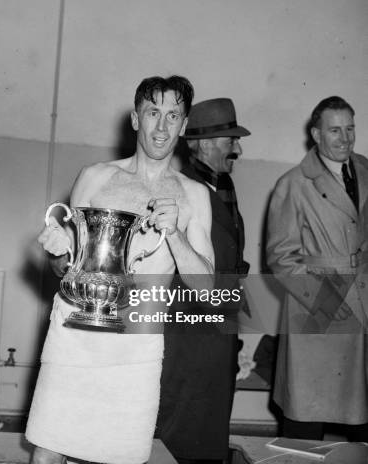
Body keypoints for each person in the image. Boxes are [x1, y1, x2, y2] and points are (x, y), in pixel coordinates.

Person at [27, 76, 215, 464]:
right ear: (135, 119)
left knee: (122, 456)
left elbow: (208, 290)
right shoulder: (95, 177)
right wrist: (57, 251)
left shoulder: (194, 195)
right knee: (48, 451)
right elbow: (67, 269)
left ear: (183, 126)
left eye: (172, 116)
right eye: (152, 113)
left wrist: (176, 235)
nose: (161, 127)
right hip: (75, 331)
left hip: (138, 340)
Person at [266, 96, 368, 441]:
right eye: (335, 130)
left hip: (363, 302)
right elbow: (281, 257)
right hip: (318, 307)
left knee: (360, 417)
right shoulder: (293, 183)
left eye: (350, 128)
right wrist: (325, 301)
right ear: (316, 134)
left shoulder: (366, 170)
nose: (345, 138)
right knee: (307, 416)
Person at [158, 98, 251, 464]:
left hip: (218, 334)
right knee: (180, 433)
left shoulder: (223, 189)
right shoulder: (180, 189)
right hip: (187, 337)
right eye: (232, 141)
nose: (238, 149)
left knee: (209, 431)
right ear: (204, 143)